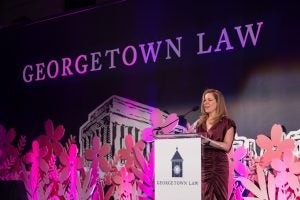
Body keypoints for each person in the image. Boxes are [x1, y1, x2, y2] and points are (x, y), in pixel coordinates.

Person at [195, 89, 236, 200]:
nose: (206, 103)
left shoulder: (227, 123)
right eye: (204, 100)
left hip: (219, 164)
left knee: (220, 196)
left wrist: (208, 141)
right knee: (203, 196)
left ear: (218, 103)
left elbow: (227, 146)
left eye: (209, 100)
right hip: (203, 164)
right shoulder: (199, 124)